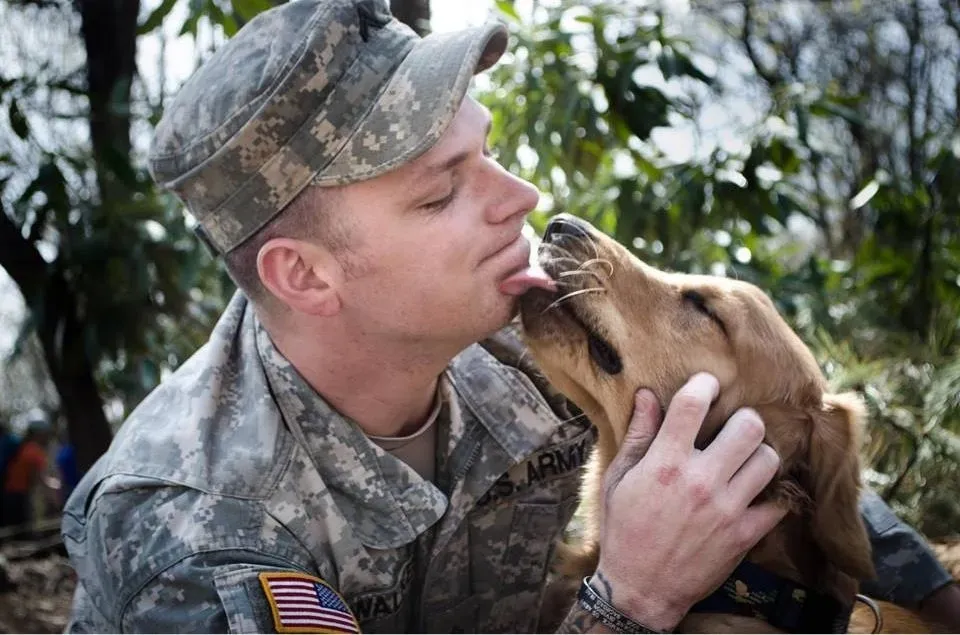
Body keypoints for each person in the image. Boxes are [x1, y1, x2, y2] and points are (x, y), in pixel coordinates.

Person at [61, 0, 958, 632]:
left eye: (484, 152)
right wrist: (629, 601)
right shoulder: (193, 531)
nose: (522, 198)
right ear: (304, 273)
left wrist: (932, 589)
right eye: (441, 191)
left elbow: (775, 439)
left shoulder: (524, 332)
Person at [2, 417, 53, 533]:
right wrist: (55, 499)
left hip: (8, 496)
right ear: (38, 434)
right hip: (18, 497)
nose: (47, 437)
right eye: (45, 434)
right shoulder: (34, 451)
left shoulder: (24, 448)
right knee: (22, 535)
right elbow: (40, 480)